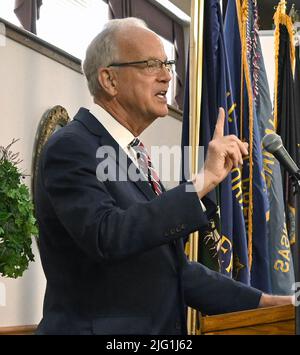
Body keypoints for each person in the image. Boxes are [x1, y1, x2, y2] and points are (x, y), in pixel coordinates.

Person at [35, 17, 293, 335]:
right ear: (109, 80)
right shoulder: (72, 147)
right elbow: (107, 235)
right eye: (151, 65)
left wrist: (271, 304)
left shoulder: (132, 153)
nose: (167, 76)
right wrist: (202, 182)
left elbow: (173, 271)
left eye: (167, 63)